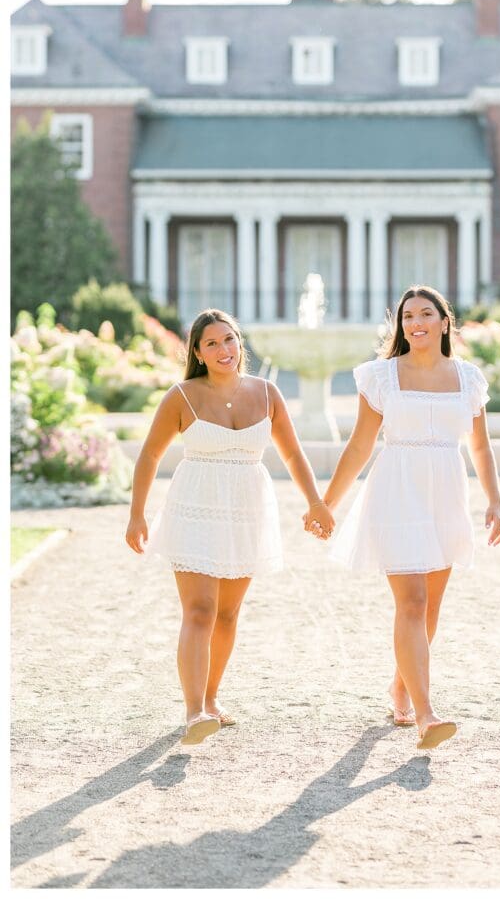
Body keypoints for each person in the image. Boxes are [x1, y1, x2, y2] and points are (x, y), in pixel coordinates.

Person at [304, 285, 500, 750]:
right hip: (397, 491)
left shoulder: (469, 378)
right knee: (412, 602)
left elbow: (480, 447)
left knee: (430, 608)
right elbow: (360, 445)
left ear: (444, 322)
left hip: (446, 494)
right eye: (407, 316)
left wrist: (495, 501)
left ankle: (400, 687)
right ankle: (426, 714)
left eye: (425, 314)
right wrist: (326, 503)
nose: (415, 322)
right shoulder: (382, 377)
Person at [126, 308, 334, 745]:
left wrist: (315, 503)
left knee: (227, 614)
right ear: (198, 353)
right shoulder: (182, 396)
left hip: (245, 511)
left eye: (229, 339)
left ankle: (211, 699)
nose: (223, 350)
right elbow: (149, 455)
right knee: (199, 610)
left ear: (240, 343)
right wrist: (137, 514)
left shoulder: (267, 393)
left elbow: (293, 454)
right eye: (212, 344)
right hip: (195, 508)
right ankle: (194, 711)